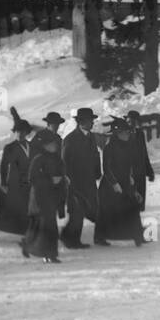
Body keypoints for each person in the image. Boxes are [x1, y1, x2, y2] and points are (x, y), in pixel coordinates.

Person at [94, 118, 145, 247]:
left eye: (128, 132)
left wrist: (130, 177)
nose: (127, 134)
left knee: (132, 209)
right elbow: (107, 168)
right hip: (110, 186)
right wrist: (115, 184)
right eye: (124, 132)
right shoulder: (109, 148)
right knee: (106, 213)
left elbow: (129, 166)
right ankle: (99, 237)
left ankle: (138, 236)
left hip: (125, 182)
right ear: (117, 134)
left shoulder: (128, 146)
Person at [22, 129, 67, 263]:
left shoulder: (57, 159)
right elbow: (32, 178)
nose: (54, 146)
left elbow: (62, 175)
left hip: (52, 198)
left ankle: (43, 251)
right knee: (43, 227)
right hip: (40, 199)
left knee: (46, 227)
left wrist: (61, 182)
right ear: (45, 146)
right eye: (51, 144)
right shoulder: (38, 159)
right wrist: (50, 180)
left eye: (55, 144)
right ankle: (47, 254)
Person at [61, 107, 100, 250]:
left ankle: (67, 236)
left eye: (92, 120)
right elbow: (64, 163)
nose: (92, 123)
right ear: (81, 122)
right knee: (77, 213)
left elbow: (95, 155)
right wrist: (69, 184)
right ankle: (72, 241)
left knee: (86, 210)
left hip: (89, 182)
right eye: (90, 121)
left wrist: (97, 171)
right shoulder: (70, 139)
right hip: (75, 183)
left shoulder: (91, 137)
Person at [0, 121, 34, 241]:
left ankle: (26, 233)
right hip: (13, 183)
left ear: (27, 133)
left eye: (23, 132)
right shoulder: (10, 148)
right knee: (4, 208)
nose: (20, 134)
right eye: (18, 132)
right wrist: (4, 183)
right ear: (15, 132)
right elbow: (4, 166)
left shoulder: (32, 146)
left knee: (25, 208)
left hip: (27, 183)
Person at [126, 110, 155, 210]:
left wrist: (150, 171)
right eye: (129, 121)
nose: (131, 124)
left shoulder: (140, 134)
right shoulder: (122, 135)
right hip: (128, 175)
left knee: (139, 203)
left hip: (140, 173)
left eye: (134, 121)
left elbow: (144, 154)